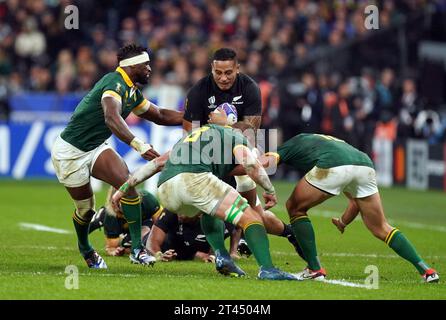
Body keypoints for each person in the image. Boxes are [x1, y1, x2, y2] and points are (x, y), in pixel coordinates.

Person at [113, 114, 297, 280]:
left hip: (166, 189)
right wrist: (270, 189)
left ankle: (223, 257)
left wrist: (124, 188)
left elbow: (157, 163)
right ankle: (268, 269)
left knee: (209, 211)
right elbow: (250, 164)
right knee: (251, 218)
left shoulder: (194, 135)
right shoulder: (236, 136)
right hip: (194, 180)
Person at [51, 44, 183, 268]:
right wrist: (138, 144)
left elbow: (159, 115)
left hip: (94, 147)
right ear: (132, 67)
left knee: (127, 183)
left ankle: (138, 251)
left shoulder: (131, 90)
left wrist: (194, 116)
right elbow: (110, 118)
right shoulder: (114, 83)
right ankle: (85, 248)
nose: (150, 69)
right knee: (86, 210)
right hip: (70, 153)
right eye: (146, 64)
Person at [260, 133, 440, 283]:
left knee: (294, 207)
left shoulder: (292, 143)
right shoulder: (327, 142)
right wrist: (343, 222)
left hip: (333, 164)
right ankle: (427, 270)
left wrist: (244, 163)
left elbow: (266, 161)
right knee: (381, 227)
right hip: (364, 164)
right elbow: (355, 202)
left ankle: (315, 269)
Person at [183, 47, 301, 262]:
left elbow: (251, 132)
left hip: (241, 153)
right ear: (212, 68)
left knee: (253, 213)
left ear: (237, 68)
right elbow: (189, 131)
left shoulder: (249, 88)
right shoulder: (199, 90)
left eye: (228, 72)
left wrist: (225, 123)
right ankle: (223, 251)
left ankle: (285, 233)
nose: (223, 78)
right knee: (205, 209)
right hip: (210, 154)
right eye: (218, 72)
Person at [89, 187, 163, 257]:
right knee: (87, 226)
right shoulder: (111, 216)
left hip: (143, 223)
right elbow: (112, 247)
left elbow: (162, 225)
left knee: (140, 241)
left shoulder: (148, 200)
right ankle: (101, 215)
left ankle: (126, 240)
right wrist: (114, 251)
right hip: (118, 221)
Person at [147, 211, 234, 263]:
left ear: (199, 213)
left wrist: (213, 257)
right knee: (145, 233)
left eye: (185, 209)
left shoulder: (218, 220)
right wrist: (159, 256)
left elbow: (214, 254)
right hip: (167, 247)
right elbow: (151, 243)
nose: (179, 212)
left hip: (189, 251)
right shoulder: (171, 211)